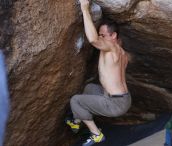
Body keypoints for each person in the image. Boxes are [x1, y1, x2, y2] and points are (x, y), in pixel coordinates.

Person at [65, 0, 131, 145]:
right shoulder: (122, 53)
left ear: (113, 36)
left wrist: (85, 9)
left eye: (103, 35)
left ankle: (96, 134)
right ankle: (77, 120)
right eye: (100, 35)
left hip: (115, 103)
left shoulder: (111, 47)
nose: (101, 38)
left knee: (75, 100)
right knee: (89, 88)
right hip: (123, 99)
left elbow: (93, 39)